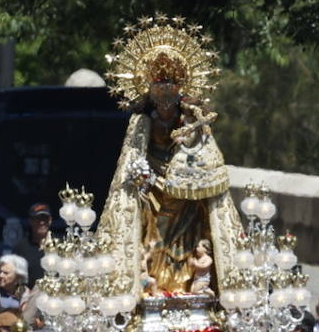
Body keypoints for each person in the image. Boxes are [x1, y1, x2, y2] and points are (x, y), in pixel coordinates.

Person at [95, 17, 245, 295]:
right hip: (152, 191)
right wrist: (139, 178)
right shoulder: (140, 124)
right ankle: (151, 285)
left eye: (169, 101)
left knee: (190, 239)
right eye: (159, 101)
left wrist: (193, 140)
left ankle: (189, 287)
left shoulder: (193, 120)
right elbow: (132, 156)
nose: (165, 109)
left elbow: (207, 159)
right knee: (152, 237)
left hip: (186, 191)